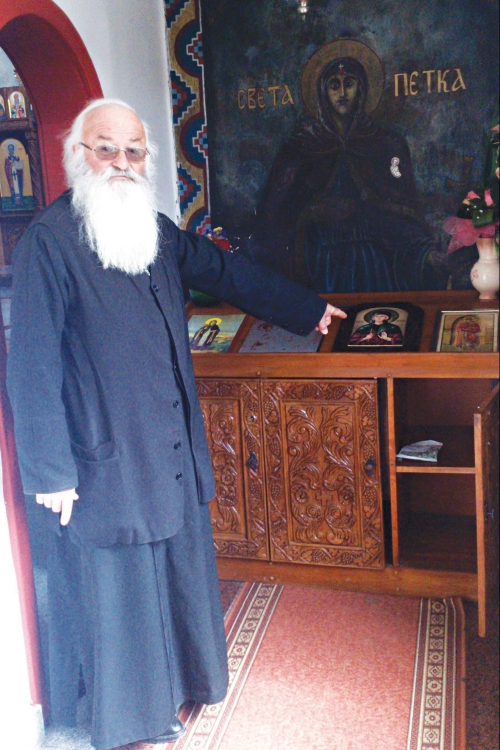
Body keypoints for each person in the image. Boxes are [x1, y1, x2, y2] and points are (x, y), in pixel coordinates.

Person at [6, 98, 346, 750]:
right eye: (107, 148)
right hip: (106, 453)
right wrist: (50, 471)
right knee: (124, 589)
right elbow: (32, 365)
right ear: (78, 155)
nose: (122, 162)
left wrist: (306, 308)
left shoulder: (154, 229)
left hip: (168, 443)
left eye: (134, 151)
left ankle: (186, 683)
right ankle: (133, 718)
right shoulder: (49, 242)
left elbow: (223, 269)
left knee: (177, 571)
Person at [252, 42, 441, 293]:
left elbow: (402, 208)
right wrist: (313, 212)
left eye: (349, 83)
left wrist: (424, 250)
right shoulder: (300, 148)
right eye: (334, 85)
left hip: (372, 259)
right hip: (318, 256)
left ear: (361, 88)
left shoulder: (384, 144)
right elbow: (276, 215)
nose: (342, 93)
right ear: (323, 93)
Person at [4, 141, 24, 206]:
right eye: (9, 149)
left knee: (19, 188)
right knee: (12, 189)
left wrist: (16, 163)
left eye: (12, 149)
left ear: (13, 149)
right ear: (8, 150)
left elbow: (20, 166)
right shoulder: (7, 159)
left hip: (17, 176)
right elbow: (6, 168)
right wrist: (10, 165)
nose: (11, 150)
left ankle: (21, 202)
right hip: (11, 176)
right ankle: (14, 203)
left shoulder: (17, 157)